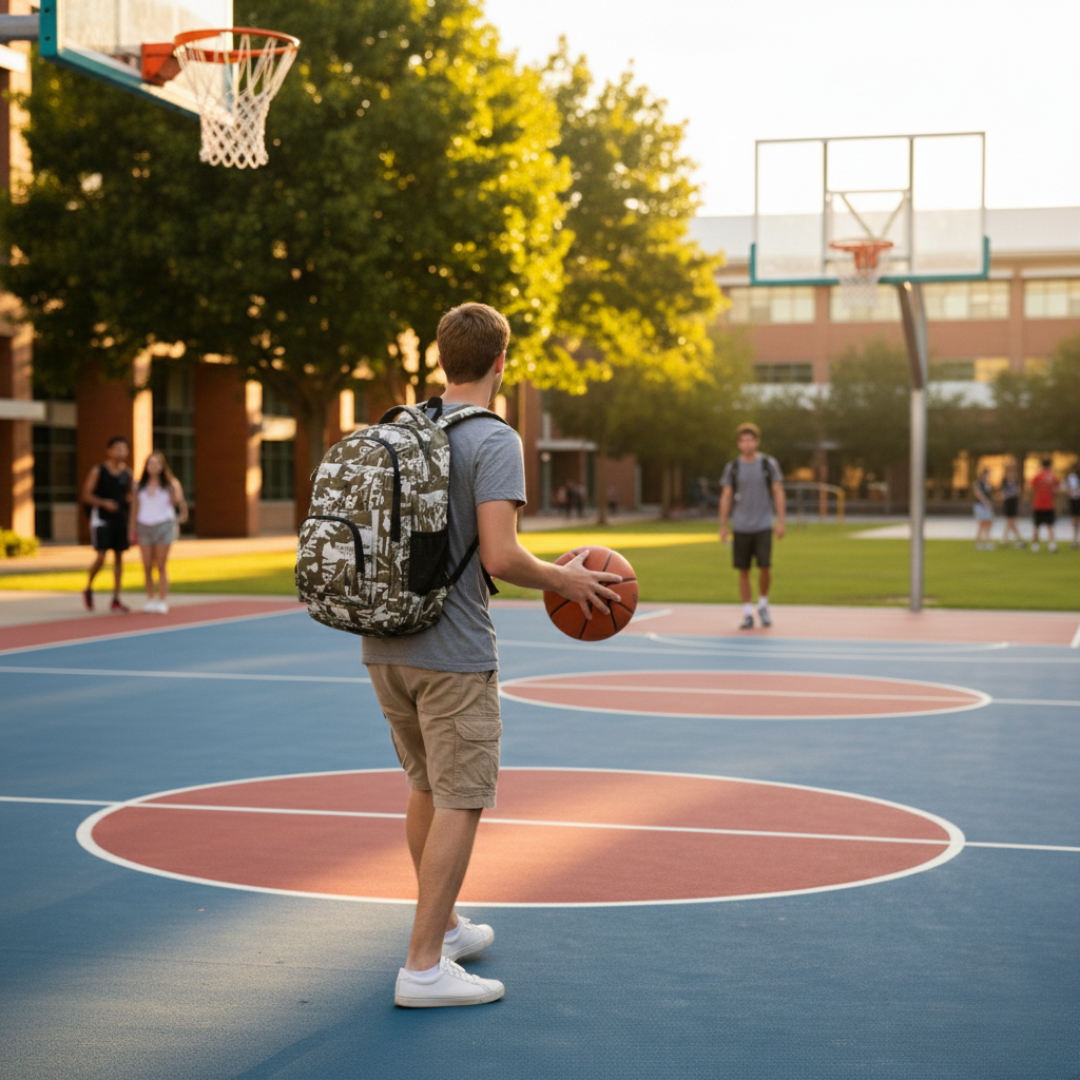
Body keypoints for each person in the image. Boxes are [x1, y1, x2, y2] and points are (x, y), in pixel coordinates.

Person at [361, 303, 620, 1009]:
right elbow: (502, 553)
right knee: (462, 798)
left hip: (383, 640)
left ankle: (441, 929)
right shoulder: (494, 439)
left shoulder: (401, 423)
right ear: (503, 361)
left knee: (424, 785)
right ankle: (421, 968)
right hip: (452, 648)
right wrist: (566, 577)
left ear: (442, 358)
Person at [718, 422, 785, 629]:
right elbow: (726, 497)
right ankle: (748, 612)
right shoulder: (733, 467)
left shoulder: (767, 464)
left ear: (756, 441)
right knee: (743, 570)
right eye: (743, 440)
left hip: (763, 523)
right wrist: (723, 525)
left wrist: (780, 521)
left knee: (765, 566)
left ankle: (763, 605)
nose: (747, 443)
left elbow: (778, 492)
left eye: (751, 440)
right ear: (739, 444)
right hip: (741, 526)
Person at [81, 436, 134, 613]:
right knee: (101, 556)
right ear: (109, 451)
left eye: (124, 448)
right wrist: (104, 503)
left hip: (120, 519)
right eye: (117, 448)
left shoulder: (128, 473)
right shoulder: (99, 470)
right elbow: (86, 495)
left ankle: (116, 598)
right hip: (101, 518)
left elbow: (132, 497)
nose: (121, 452)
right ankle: (89, 587)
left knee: (119, 557)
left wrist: (131, 522)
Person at [131, 450, 188, 613]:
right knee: (147, 565)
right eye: (150, 463)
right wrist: (131, 529)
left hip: (164, 525)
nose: (153, 466)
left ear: (162, 466)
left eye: (157, 463)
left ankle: (162, 600)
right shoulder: (139, 486)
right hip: (144, 526)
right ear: (146, 466)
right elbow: (134, 508)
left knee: (161, 564)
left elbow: (180, 504)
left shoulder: (170, 484)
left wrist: (175, 496)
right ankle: (150, 599)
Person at [1029, 457, 1059, 553]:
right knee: (1050, 525)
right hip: (1049, 505)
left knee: (1036, 526)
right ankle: (1052, 545)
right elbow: (1057, 490)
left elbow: (1031, 489)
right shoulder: (1053, 476)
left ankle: (1035, 545)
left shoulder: (1037, 476)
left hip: (1038, 505)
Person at [1000, 461, 1024, 548]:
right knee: (1010, 521)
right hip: (1008, 501)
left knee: (1012, 521)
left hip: (1014, 501)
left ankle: (1014, 538)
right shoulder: (1005, 481)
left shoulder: (1016, 481)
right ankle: (1009, 538)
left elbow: (1019, 491)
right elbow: (1003, 492)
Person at [972, 467, 995, 550]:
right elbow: (978, 494)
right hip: (980, 505)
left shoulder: (988, 484)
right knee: (982, 523)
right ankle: (978, 542)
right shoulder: (977, 483)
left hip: (987, 505)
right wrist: (986, 502)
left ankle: (987, 540)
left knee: (989, 522)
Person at [1066, 464, 1080, 549]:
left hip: (1076, 499)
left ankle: (1075, 539)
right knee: (1075, 519)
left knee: (1075, 519)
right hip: (1074, 500)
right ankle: (1074, 539)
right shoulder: (1071, 477)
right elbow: (1069, 488)